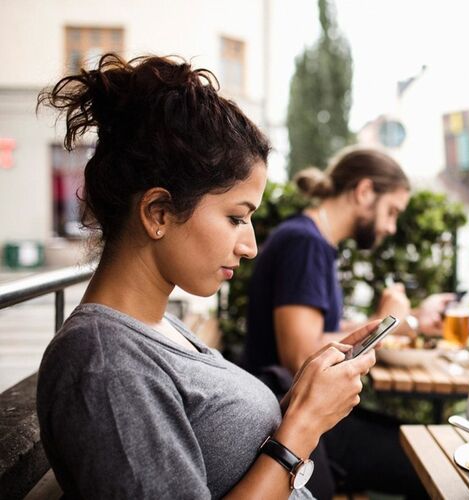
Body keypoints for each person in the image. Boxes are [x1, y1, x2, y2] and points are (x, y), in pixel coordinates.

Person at [35, 53, 379, 499]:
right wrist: (303, 426)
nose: (250, 245)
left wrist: (299, 400)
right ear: (158, 212)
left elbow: (219, 452)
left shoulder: (157, 327)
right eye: (237, 218)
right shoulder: (104, 364)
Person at [243, 147, 451, 498]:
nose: (391, 226)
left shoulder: (315, 242)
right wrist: (388, 321)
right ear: (365, 191)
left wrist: (407, 321)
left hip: (303, 414)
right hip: (290, 421)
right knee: (432, 461)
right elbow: (300, 357)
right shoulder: (304, 243)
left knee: (425, 444)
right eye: (392, 211)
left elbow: (322, 331)